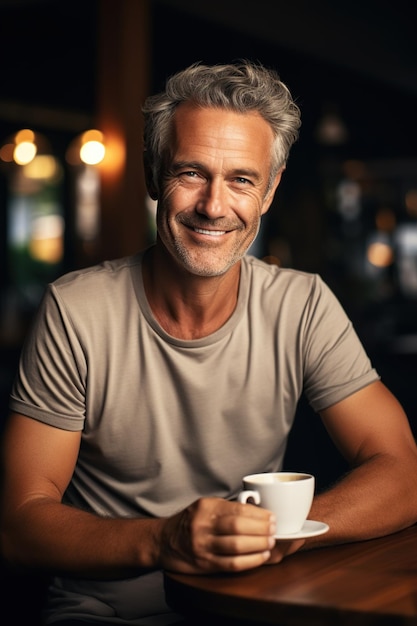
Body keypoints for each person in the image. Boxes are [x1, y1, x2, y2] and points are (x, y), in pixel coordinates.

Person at [1, 60, 417, 626]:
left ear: (269, 190)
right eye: (191, 173)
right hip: (103, 614)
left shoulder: (303, 305)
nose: (214, 207)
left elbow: (402, 470)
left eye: (242, 179)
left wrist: (279, 532)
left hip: (248, 608)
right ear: (153, 175)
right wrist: (165, 541)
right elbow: (19, 523)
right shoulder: (74, 311)